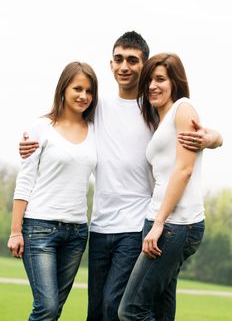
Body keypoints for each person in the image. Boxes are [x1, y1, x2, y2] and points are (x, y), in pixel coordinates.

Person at [18, 32, 223, 321]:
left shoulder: (155, 110)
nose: (124, 66)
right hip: (99, 227)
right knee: (96, 312)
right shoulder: (96, 107)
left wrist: (214, 137)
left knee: (116, 309)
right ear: (111, 64)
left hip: (135, 225)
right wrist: (31, 142)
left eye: (133, 60)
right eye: (118, 59)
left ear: (144, 65)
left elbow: (197, 132)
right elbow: (63, 124)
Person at [118, 53, 211, 320]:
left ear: (175, 82)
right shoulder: (164, 120)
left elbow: (183, 170)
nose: (151, 86)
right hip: (163, 223)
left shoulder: (183, 109)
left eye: (160, 79)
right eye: (148, 80)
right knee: (159, 310)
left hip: (174, 226)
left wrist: (159, 223)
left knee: (131, 310)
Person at [8, 61, 98, 321]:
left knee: (54, 311)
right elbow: (25, 180)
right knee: (46, 307)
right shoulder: (40, 127)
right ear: (63, 89)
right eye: (77, 88)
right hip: (39, 228)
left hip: (78, 232)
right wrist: (16, 231)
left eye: (89, 91)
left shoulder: (95, 131)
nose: (83, 96)